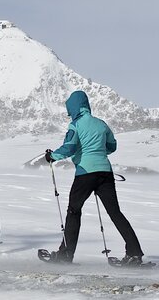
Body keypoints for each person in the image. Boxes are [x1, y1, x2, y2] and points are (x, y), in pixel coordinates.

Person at [43, 90, 145, 265]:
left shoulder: (76, 125)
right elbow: (112, 146)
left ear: (73, 108)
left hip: (85, 173)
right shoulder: (101, 124)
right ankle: (135, 253)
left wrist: (52, 156)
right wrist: (98, 153)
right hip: (105, 172)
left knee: (74, 212)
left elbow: (69, 148)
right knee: (115, 213)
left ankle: (66, 254)